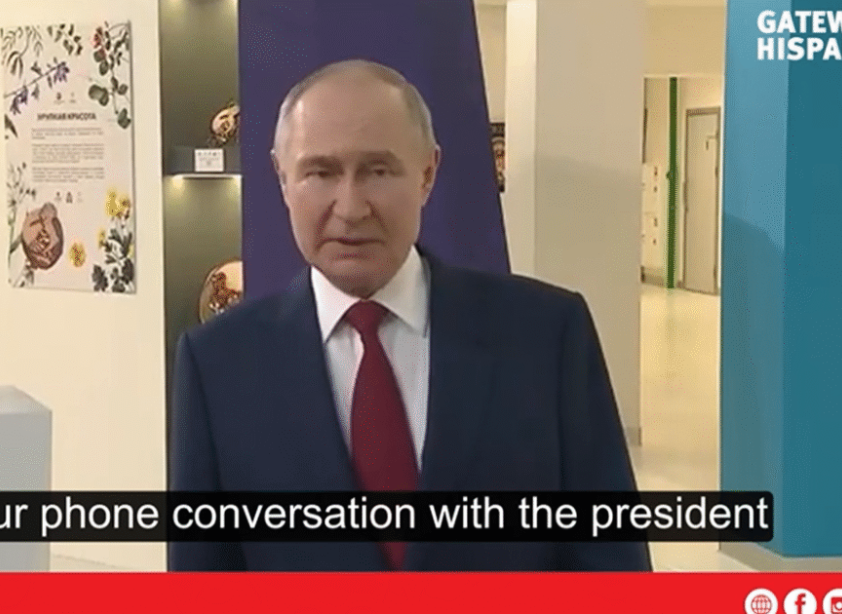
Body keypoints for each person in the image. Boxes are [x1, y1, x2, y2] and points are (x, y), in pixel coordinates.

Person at [169, 59, 651, 572]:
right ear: (282, 179)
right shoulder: (218, 365)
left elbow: (612, 561)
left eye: (378, 170)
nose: (350, 207)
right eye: (320, 172)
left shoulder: (547, 337)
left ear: (427, 173)